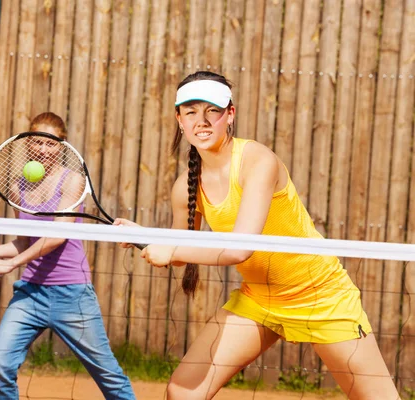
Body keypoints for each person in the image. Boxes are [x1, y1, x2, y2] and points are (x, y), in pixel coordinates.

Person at [114, 71, 400, 400]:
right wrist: (147, 238)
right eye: (191, 112)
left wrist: (170, 248)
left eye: (212, 111)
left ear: (230, 115)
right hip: (260, 300)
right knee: (182, 393)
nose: (202, 121)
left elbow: (239, 250)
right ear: (179, 119)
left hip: (322, 298)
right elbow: (180, 253)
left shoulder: (257, 161)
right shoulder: (185, 188)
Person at [0, 112, 136, 400]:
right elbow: (24, 241)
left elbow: (57, 236)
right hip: (30, 294)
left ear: (62, 146)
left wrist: (11, 264)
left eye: (51, 144)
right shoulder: (17, 187)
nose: (43, 150)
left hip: (73, 295)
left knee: (108, 375)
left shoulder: (73, 182)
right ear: (27, 144)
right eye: (36, 143)